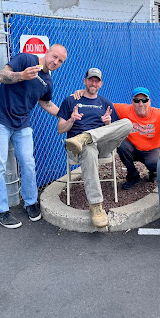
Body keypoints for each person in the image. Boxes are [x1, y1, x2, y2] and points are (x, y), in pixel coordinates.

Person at [0, 44, 67, 229]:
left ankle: (30, 202)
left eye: (60, 61)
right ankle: (0, 210)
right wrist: (21, 75)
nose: (55, 62)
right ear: (46, 52)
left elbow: (45, 103)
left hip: (22, 123)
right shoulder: (25, 59)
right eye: (54, 57)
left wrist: (64, 114)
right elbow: (1, 76)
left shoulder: (48, 82)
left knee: (28, 163)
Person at [73, 86, 160, 190]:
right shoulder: (124, 109)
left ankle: (152, 171)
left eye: (144, 100)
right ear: (132, 102)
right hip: (132, 149)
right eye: (137, 100)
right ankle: (133, 175)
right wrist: (83, 93)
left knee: (154, 163)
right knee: (121, 145)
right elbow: (100, 104)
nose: (141, 103)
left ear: (149, 101)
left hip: (151, 150)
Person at [58, 68, 132, 228]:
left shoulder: (105, 103)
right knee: (89, 149)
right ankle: (96, 205)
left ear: (101, 84)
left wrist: (107, 124)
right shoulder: (71, 101)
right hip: (77, 148)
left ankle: (86, 137)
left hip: (102, 145)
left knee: (127, 123)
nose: (93, 83)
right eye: (90, 80)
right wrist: (71, 120)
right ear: (85, 81)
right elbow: (60, 129)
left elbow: (113, 130)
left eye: (96, 80)